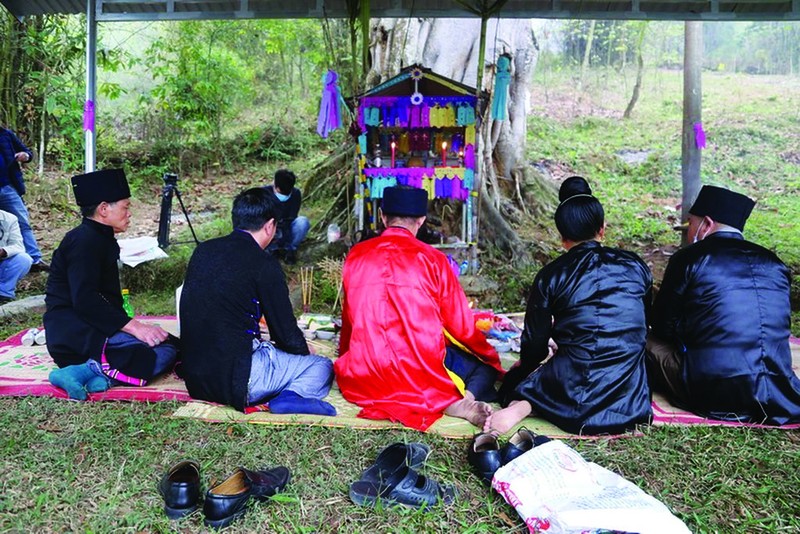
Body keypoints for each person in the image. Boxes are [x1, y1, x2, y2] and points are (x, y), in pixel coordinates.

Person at [335, 186, 504, 431]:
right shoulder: (434, 259)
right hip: (421, 374)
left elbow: (350, 318)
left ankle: (452, 400)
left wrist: (346, 357)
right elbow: (460, 325)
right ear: (422, 220)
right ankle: (460, 400)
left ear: (383, 217)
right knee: (484, 368)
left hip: (363, 376)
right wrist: (488, 353)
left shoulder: (356, 255)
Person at [486, 191, 653, 435]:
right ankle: (530, 402)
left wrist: (525, 370)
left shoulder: (551, 275)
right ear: (602, 229)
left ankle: (525, 403)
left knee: (523, 381)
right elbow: (643, 321)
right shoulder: (635, 265)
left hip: (574, 374)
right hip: (629, 398)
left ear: (562, 238)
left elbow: (535, 345)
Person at [648, 185, 800, 425]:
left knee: (644, 339)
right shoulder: (774, 263)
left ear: (706, 224)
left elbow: (661, 326)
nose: (689, 233)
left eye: (691, 224)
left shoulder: (690, 258)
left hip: (711, 391)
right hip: (777, 390)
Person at [180, 187, 335, 415]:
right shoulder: (264, 263)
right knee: (322, 366)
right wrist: (303, 350)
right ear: (270, 225)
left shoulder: (203, 250)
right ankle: (292, 396)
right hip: (239, 382)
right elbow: (285, 333)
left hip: (196, 379)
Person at [44, 169, 178, 400]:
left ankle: (100, 376)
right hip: (73, 334)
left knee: (170, 345)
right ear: (104, 209)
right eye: (126, 207)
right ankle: (81, 371)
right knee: (159, 351)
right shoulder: (83, 241)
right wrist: (134, 327)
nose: (129, 213)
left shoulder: (101, 238)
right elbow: (85, 299)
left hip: (95, 327)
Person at [0, 126, 47, 271]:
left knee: (22, 222)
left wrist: (24, 156)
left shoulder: (5, 134)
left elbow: (27, 152)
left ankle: (34, 260)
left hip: (7, 187)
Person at [264, 169, 310, 265]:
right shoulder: (265, 193)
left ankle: (290, 250)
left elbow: (291, 217)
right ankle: (272, 249)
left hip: (286, 227)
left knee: (303, 222)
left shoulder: (295, 194)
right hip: (269, 228)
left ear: (277, 187)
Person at [0, 209, 33, 304]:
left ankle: (3, 292)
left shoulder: (9, 218)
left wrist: (3, 251)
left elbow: (18, 246)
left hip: (2, 263)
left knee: (24, 259)